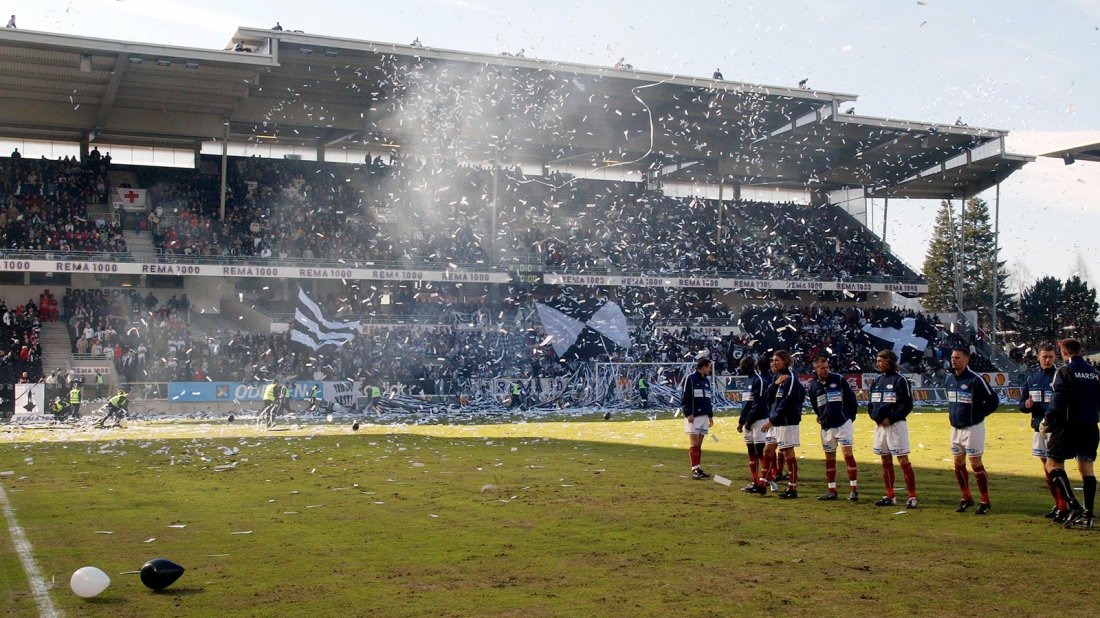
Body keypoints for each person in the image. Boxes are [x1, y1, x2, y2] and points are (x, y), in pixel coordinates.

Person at [1041, 338, 1099, 529]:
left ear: (1064, 353)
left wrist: (1047, 420)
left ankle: (1073, 505)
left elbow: (1058, 400)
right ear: (1079, 351)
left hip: (1068, 425)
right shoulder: (1094, 372)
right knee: (1087, 468)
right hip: (1090, 425)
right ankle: (1088, 515)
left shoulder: (1064, 371)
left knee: (1052, 464)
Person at [945, 347, 999, 514]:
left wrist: (978, 415)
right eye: (953, 357)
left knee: (976, 464)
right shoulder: (949, 380)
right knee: (958, 464)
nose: (954, 360)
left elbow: (993, 401)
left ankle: (985, 501)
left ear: (967, 360)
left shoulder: (976, 380)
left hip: (973, 428)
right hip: (955, 428)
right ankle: (966, 497)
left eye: (958, 358)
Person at [867, 350, 918, 508]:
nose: (878, 363)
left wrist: (892, 418)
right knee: (885, 460)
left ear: (889, 361)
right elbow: (870, 404)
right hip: (880, 427)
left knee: (903, 460)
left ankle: (912, 497)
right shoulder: (877, 381)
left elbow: (907, 405)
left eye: (880, 361)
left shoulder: (900, 380)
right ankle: (890, 496)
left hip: (896, 426)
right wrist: (875, 417)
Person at [807, 356, 860, 501]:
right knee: (829, 458)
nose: (825, 370)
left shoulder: (838, 379)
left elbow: (851, 400)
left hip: (843, 424)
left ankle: (854, 490)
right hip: (826, 426)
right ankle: (832, 490)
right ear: (815, 369)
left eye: (827, 367)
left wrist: (849, 418)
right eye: (822, 368)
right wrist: (821, 417)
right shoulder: (814, 386)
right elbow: (815, 404)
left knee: (847, 454)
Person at [1019, 343, 1063, 517]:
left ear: (1055, 358)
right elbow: (1021, 404)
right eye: (1044, 357)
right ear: (1038, 358)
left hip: (1055, 429)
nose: (1047, 360)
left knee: (1056, 468)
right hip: (1039, 429)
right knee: (1046, 469)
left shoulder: (1060, 377)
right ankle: (1058, 504)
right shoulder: (1032, 379)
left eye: (1051, 357)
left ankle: (1063, 506)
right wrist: (1026, 405)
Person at [757, 350, 805, 498]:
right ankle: (762, 483)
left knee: (787, 452)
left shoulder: (790, 378)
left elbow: (788, 402)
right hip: (775, 421)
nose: (773, 363)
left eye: (776, 360)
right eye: (772, 360)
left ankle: (792, 488)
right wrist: (775, 384)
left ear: (785, 361)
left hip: (786, 422)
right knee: (767, 450)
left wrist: (772, 420)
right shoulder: (776, 377)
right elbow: (767, 397)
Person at [737, 356, 771, 492]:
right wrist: (741, 421)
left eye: (743, 366)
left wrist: (749, 421)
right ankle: (755, 481)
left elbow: (759, 404)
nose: (741, 368)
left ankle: (764, 481)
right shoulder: (748, 381)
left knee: (760, 452)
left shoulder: (759, 381)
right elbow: (746, 404)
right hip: (748, 422)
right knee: (751, 452)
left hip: (759, 421)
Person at [682, 358, 714, 480]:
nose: (710, 369)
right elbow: (685, 397)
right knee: (694, 443)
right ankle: (695, 469)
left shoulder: (706, 381)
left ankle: (698, 467)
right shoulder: (690, 378)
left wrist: (710, 415)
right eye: (709, 367)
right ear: (703, 367)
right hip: (694, 416)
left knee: (699, 444)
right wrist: (688, 413)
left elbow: (708, 399)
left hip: (705, 416)